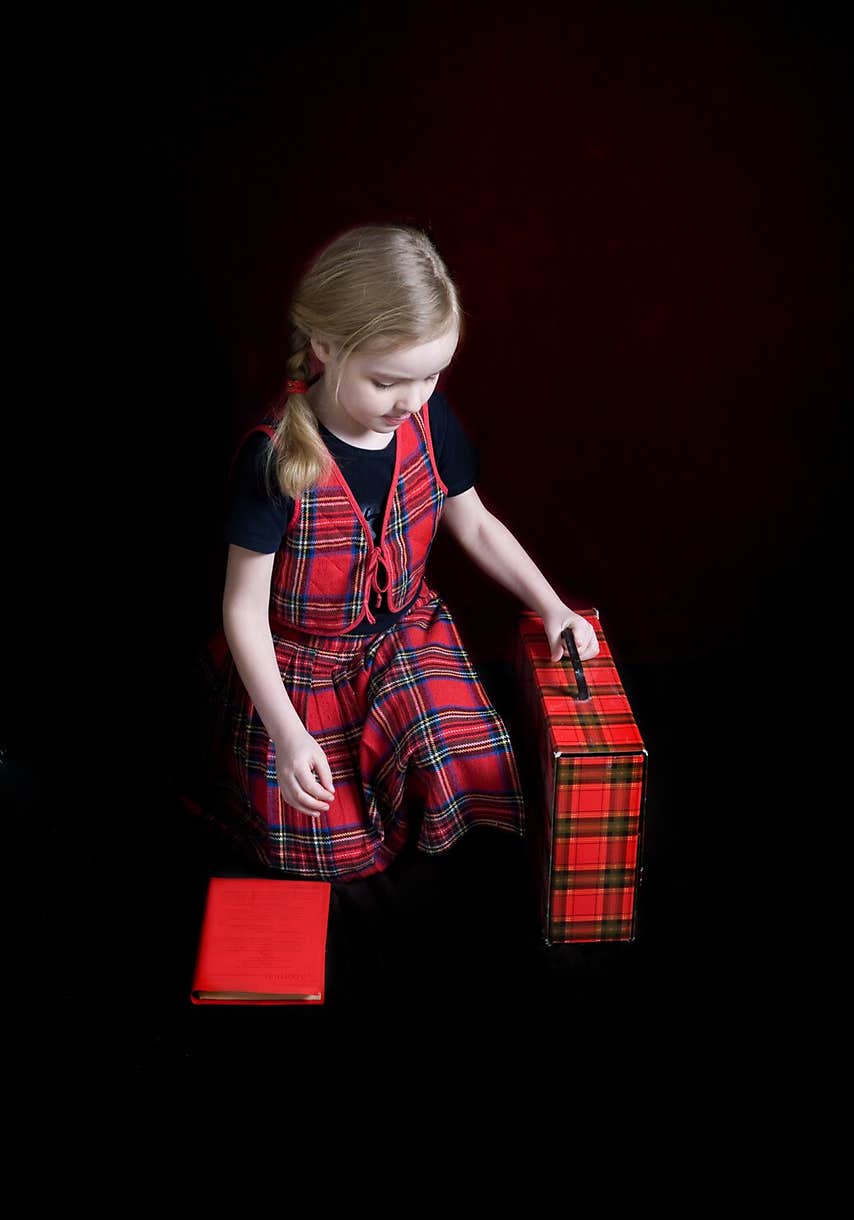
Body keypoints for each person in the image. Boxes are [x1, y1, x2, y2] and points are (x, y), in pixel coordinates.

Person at [196, 223, 599, 882]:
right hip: (307, 667)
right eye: (388, 381)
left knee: (473, 760)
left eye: (432, 376)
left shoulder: (426, 420)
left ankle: (405, 779)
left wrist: (551, 606)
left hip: (402, 640)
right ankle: (335, 788)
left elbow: (476, 527)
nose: (411, 401)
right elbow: (242, 610)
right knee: (331, 849)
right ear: (325, 346)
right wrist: (289, 733)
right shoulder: (273, 458)